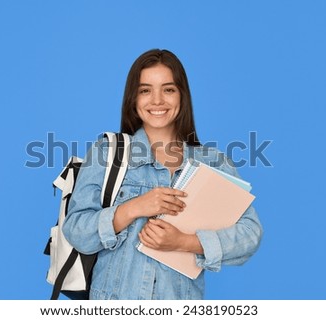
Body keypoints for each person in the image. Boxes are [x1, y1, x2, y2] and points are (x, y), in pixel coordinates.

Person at [62, 49, 263, 299]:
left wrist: (184, 242)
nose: (157, 100)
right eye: (145, 90)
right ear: (133, 99)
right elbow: (77, 231)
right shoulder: (107, 153)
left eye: (168, 89)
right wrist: (133, 208)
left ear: (182, 96)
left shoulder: (213, 163)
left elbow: (250, 234)